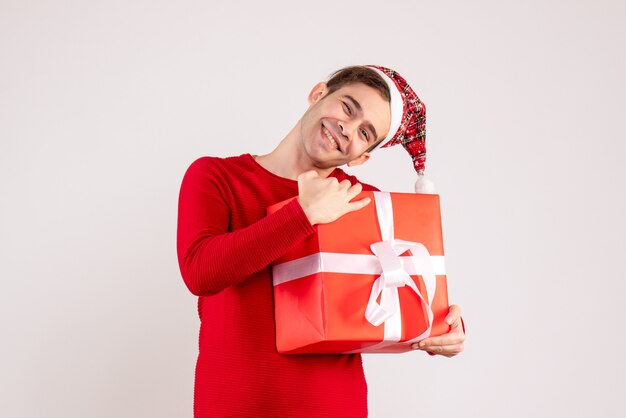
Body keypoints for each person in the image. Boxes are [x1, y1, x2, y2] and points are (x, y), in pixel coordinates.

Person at [177, 65, 465, 417]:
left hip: (332, 406)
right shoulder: (217, 177)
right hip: (233, 404)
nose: (348, 128)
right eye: (348, 107)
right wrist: (303, 213)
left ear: (361, 157)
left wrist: (446, 329)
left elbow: (403, 296)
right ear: (318, 94)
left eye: (365, 132)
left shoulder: (364, 202)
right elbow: (200, 273)